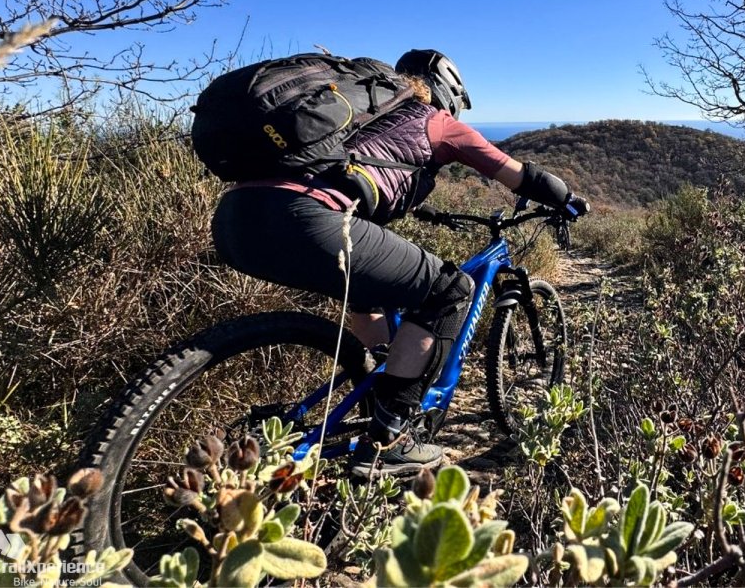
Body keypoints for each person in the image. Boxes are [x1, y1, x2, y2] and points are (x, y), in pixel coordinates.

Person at [210, 49, 589, 476]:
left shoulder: (361, 116)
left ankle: (378, 397)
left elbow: (355, 172)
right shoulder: (437, 122)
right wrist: (567, 199)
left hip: (234, 220)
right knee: (451, 290)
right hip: (304, 218)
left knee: (370, 295)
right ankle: (390, 438)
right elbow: (520, 175)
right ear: (448, 92)